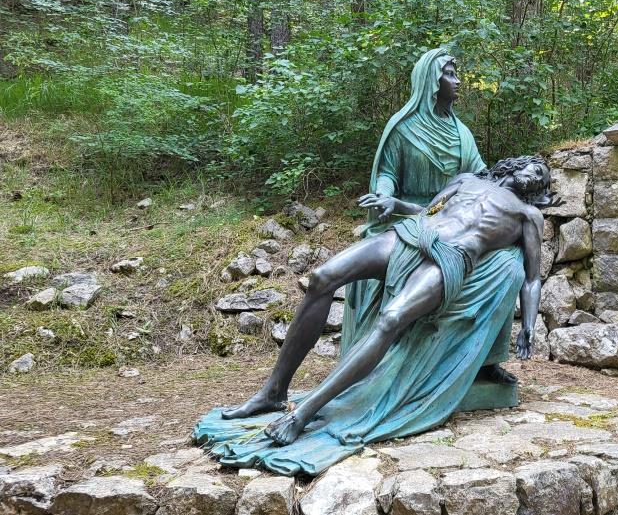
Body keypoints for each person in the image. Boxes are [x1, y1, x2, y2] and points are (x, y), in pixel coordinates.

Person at [193, 157, 553, 475]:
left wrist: (529, 325)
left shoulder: (528, 216)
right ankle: (273, 391)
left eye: (543, 179)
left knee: (391, 320)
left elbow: (532, 278)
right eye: (536, 168)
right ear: (515, 165)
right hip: (412, 235)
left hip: (450, 259)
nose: (537, 177)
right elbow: (428, 211)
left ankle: (303, 413)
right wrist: (395, 204)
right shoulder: (466, 180)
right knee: (322, 278)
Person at [344, 47, 521, 386]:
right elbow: (387, 173)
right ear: (430, 82)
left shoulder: (461, 133)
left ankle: (485, 359)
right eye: (450, 75)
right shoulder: (403, 127)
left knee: (510, 263)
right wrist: (384, 196)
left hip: (454, 219)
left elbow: (481, 177)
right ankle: (382, 365)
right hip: (406, 216)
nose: (458, 81)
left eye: (455, 74)